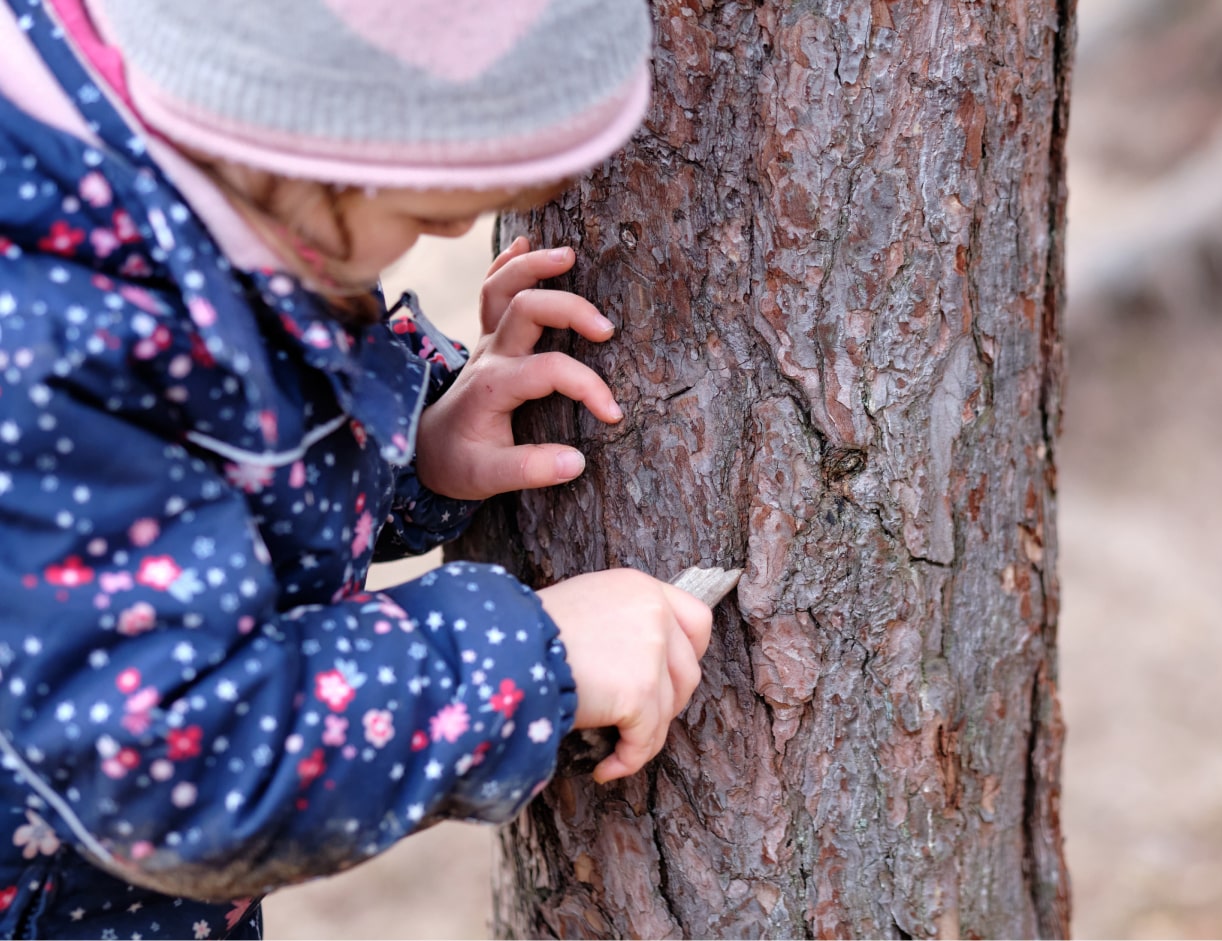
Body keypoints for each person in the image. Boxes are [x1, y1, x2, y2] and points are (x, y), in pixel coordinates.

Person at [0, 0, 713, 937]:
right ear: (288, 126)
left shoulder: (182, 194)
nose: (458, 239)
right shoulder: (44, 338)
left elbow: (187, 518)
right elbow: (174, 762)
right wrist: (522, 659)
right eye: (423, 210)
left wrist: (415, 452)